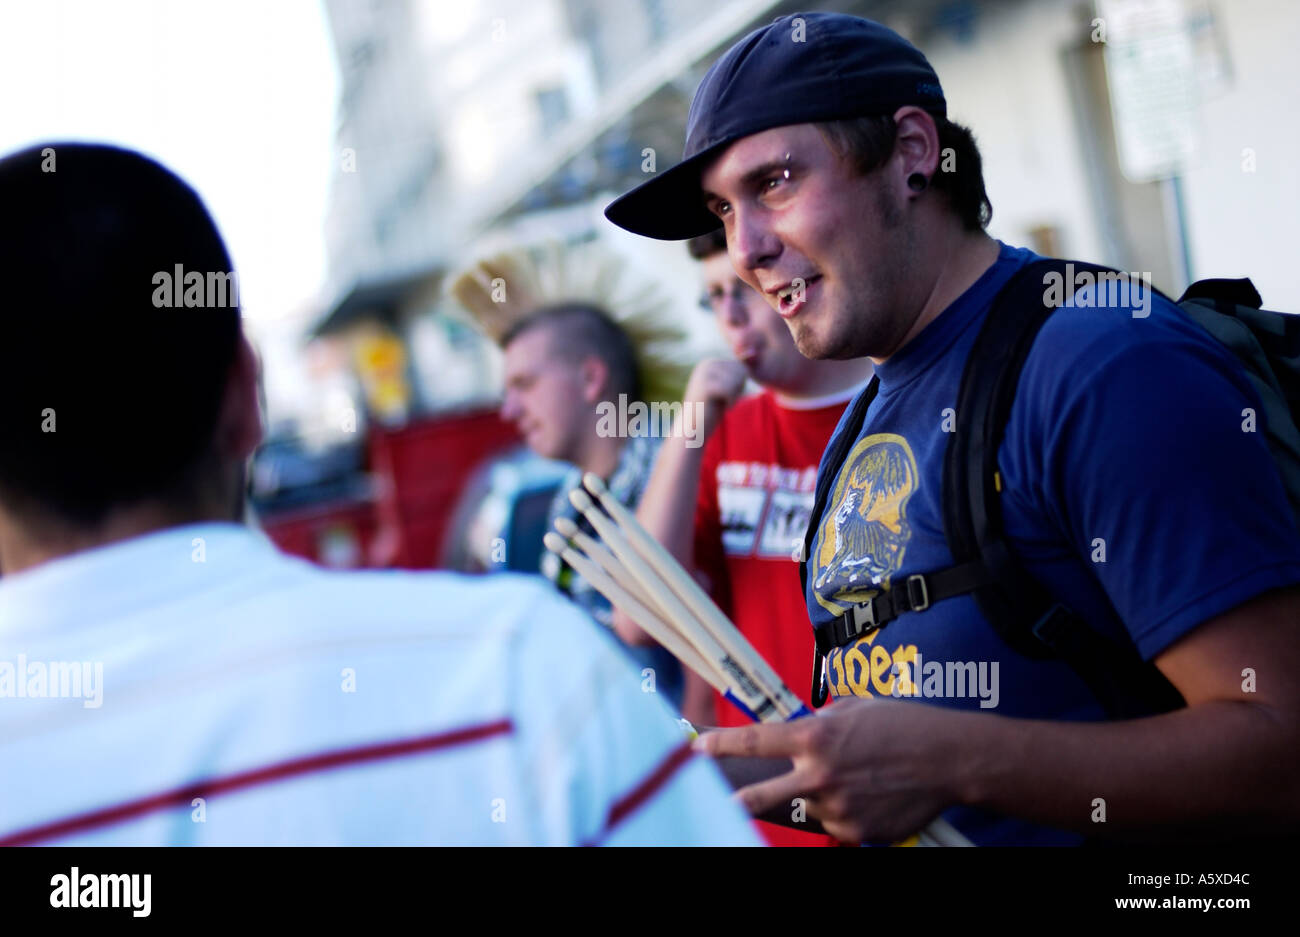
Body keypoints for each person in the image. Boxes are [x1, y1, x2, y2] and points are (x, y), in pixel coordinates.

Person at [604, 12, 1300, 845]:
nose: (745, 248)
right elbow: (885, 761)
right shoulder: (863, 422)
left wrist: (958, 761)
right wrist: (673, 777)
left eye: (777, 182)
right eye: (723, 209)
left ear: (910, 152)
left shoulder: (1100, 364)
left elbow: (1279, 742)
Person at [0, 142, 758, 846]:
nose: (506, 408)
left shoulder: (560, 604)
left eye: (524, 382)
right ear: (247, 392)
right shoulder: (516, 670)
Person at [613, 228, 871, 845]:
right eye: (712, 298)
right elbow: (638, 617)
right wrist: (692, 424)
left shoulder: (897, 408)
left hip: (884, 792)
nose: (729, 316)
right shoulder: (727, 431)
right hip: (771, 814)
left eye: (743, 290)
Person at [451, 248, 689, 709]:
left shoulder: (675, 464)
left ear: (589, 378)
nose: (510, 410)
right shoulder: (571, 500)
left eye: (525, 384)